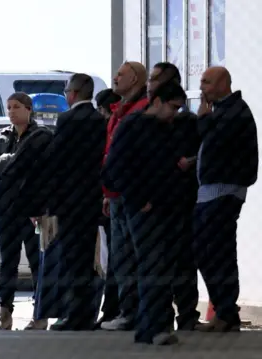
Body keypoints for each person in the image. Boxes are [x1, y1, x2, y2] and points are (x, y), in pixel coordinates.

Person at [104, 81, 189, 345]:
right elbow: (114, 169)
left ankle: (152, 326)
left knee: (161, 266)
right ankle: (153, 326)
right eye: (173, 107)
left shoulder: (167, 128)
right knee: (153, 265)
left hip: (166, 206)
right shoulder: (132, 126)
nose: (175, 113)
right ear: (158, 101)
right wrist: (139, 199)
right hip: (144, 209)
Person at [39, 74, 107, 331]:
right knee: (88, 258)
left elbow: (57, 160)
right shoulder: (99, 120)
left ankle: (74, 315)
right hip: (92, 198)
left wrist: (51, 201)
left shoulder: (67, 119)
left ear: (74, 93)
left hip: (70, 200)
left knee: (71, 258)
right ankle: (87, 312)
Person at [193, 66, 258, 332]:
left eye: (207, 82)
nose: (202, 87)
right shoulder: (222, 110)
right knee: (204, 250)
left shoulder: (235, 111)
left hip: (224, 192)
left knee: (218, 252)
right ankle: (223, 308)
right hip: (210, 192)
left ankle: (226, 311)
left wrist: (202, 119)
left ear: (224, 83)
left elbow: (219, 143)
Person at [146, 62, 201, 330]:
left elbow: (199, 153)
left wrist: (188, 161)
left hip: (181, 198)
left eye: (155, 78)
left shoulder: (187, 122)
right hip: (156, 199)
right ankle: (161, 316)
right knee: (159, 260)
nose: (150, 82)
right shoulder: (146, 121)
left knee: (183, 259)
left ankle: (188, 315)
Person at [100, 61, 149, 332]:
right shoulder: (119, 111)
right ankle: (128, 311)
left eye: (121, 74)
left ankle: (136, 313)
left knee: (134, 255)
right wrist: (107, 194)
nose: (115, 78)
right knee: (121, 258)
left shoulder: (140, 111)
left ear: (136, 79)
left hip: (132, 195)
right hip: (116, 195)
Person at [0, 92, 41, 330]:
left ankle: (40, 314)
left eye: (16, 107)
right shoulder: (2, 135)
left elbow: (40, 169)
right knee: (7, 261)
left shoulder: (40, 136)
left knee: (36, 261)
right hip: (6, 205)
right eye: (9, 107)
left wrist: (8, 163)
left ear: (28, 109)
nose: (11, 111)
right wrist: (10, 160)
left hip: (32, 206)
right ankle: (4, 314)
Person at [92, 88, 121, 328]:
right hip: (111, 199)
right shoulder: (112, 129)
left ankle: (112, 309)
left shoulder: (109, 131)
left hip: (111, 201)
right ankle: (112, 309)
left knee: (112, 259)